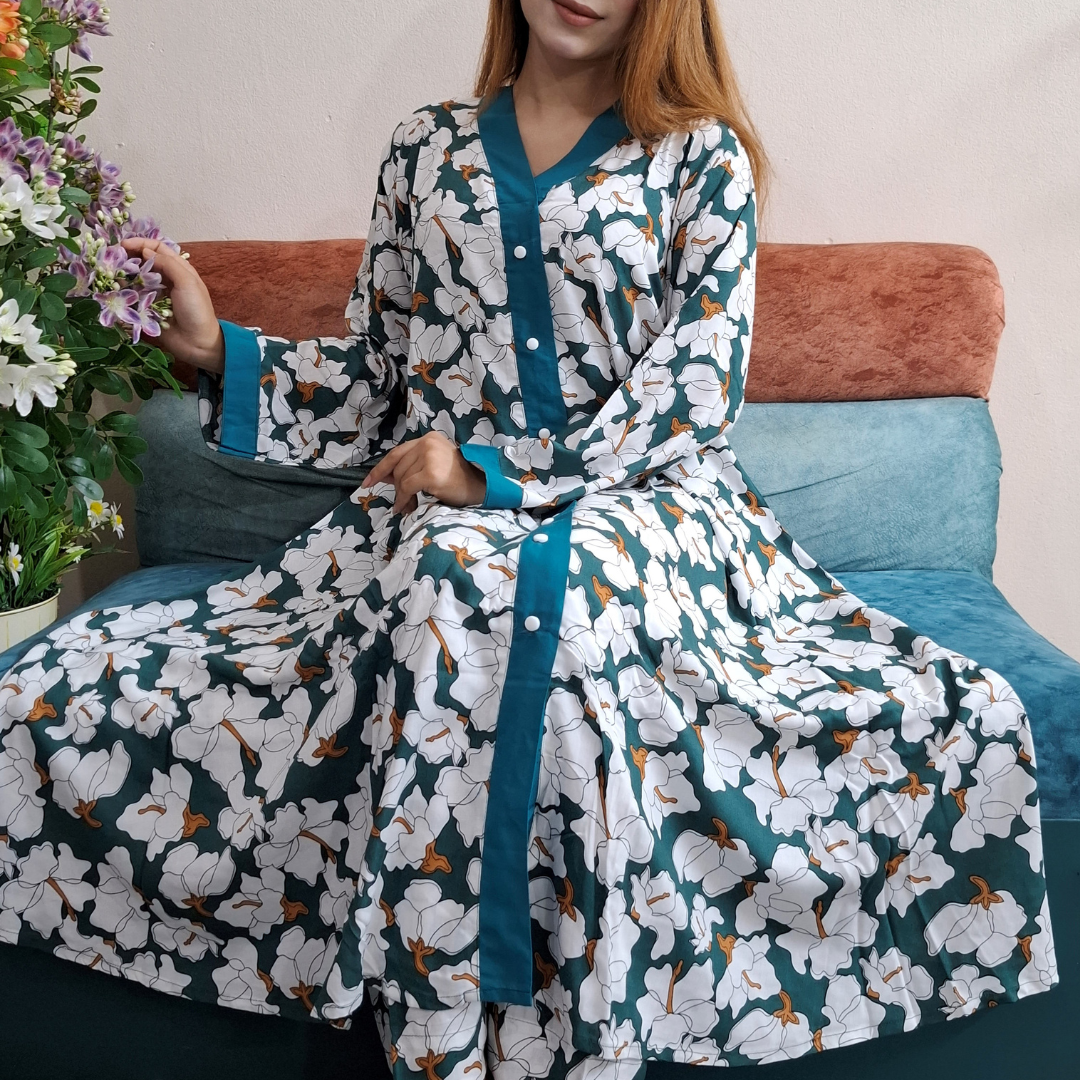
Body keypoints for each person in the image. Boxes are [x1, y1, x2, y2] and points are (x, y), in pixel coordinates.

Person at [0, 0, 1057, 1074]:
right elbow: (382, 384)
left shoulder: (702, 159)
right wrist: (217, 353)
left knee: (546, 596)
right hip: (447, 522)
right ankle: (449, 1038)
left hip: (647, 504)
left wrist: (494, 475)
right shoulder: (425, 150)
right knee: (450, 571)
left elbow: (694, 392)